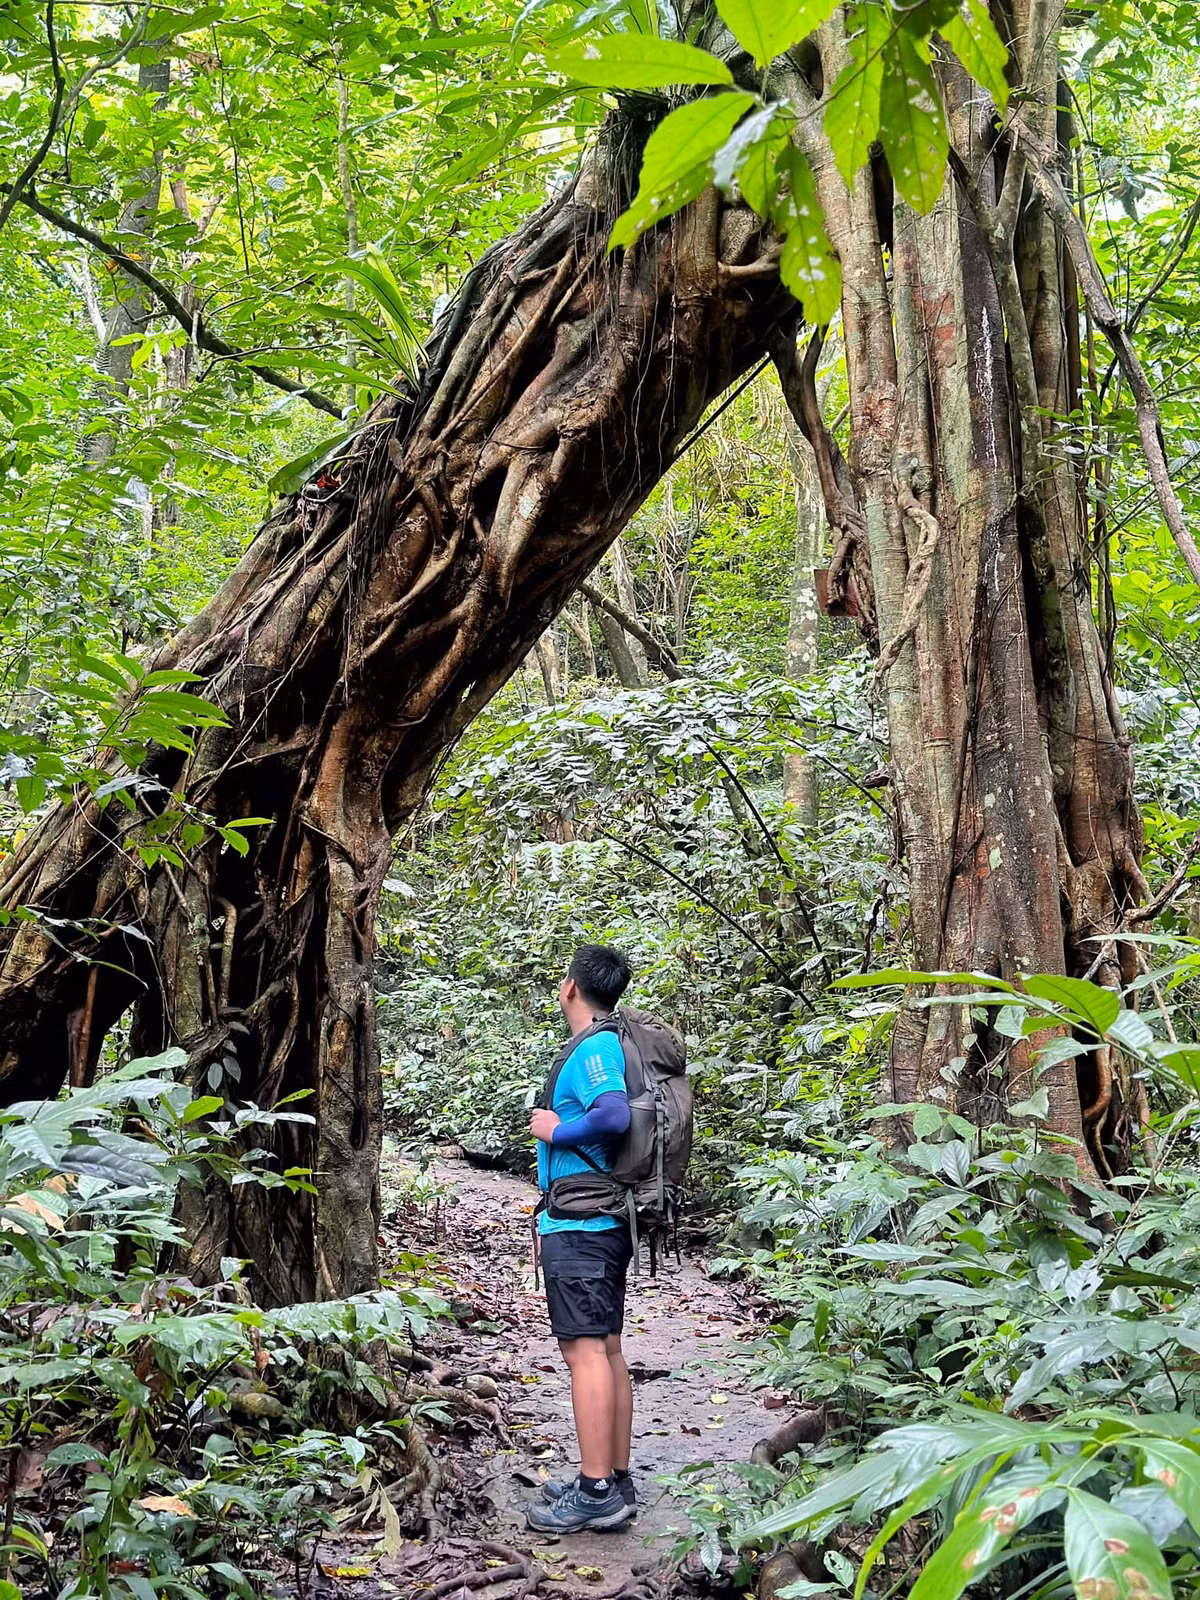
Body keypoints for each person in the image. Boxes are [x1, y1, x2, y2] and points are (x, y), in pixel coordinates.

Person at [524, 944, 637, 1534]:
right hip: (602, 1223)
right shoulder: (605, 1040)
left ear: (571, 986)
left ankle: (595, 1492)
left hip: (582, 1225)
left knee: (585, 1353)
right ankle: (614, 1478)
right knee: (607, 1349)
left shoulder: (594, 1045)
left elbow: (614, 1115)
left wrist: (558, 1129)